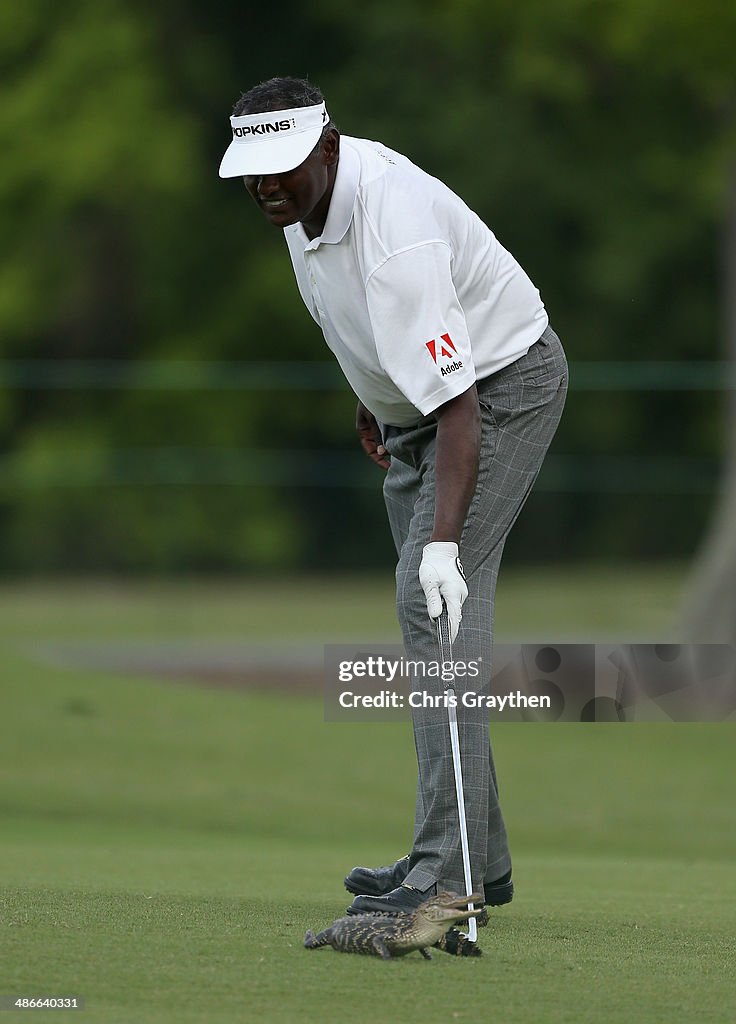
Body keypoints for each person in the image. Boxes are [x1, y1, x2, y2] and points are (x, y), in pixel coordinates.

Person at [219, 77, 567, 917]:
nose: (267, 185)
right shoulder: (304, 209)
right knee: (429, 614)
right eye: (254, 172)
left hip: (498, 395)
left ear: (328, 149)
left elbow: (459, 404)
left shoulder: (393, 231)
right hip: (419, 416)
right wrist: (376, 399)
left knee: (434, 602)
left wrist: (444, 545)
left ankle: (445, 875)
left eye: (284, 168)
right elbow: (366, 325)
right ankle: (476, 856)